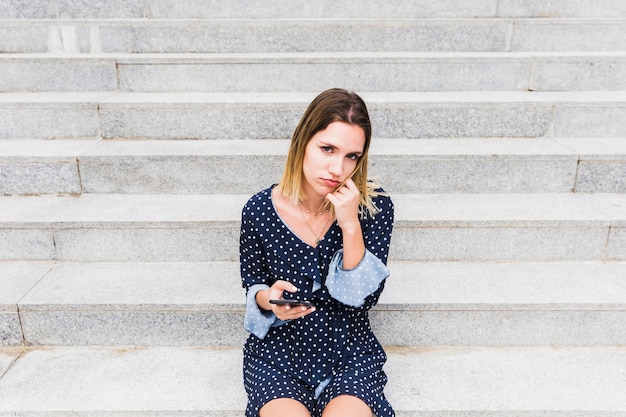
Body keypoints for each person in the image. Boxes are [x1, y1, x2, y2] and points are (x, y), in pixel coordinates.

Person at [239, 88, 395, 417]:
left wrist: (350, 224)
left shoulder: (375, 208)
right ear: (303, 142)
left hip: (347, 352)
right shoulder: (259, 210)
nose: (338, 168)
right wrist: (271, 299)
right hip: (280, 354)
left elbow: (363, 298)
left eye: (352, 156)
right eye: (327, 149)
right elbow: (253, 285)